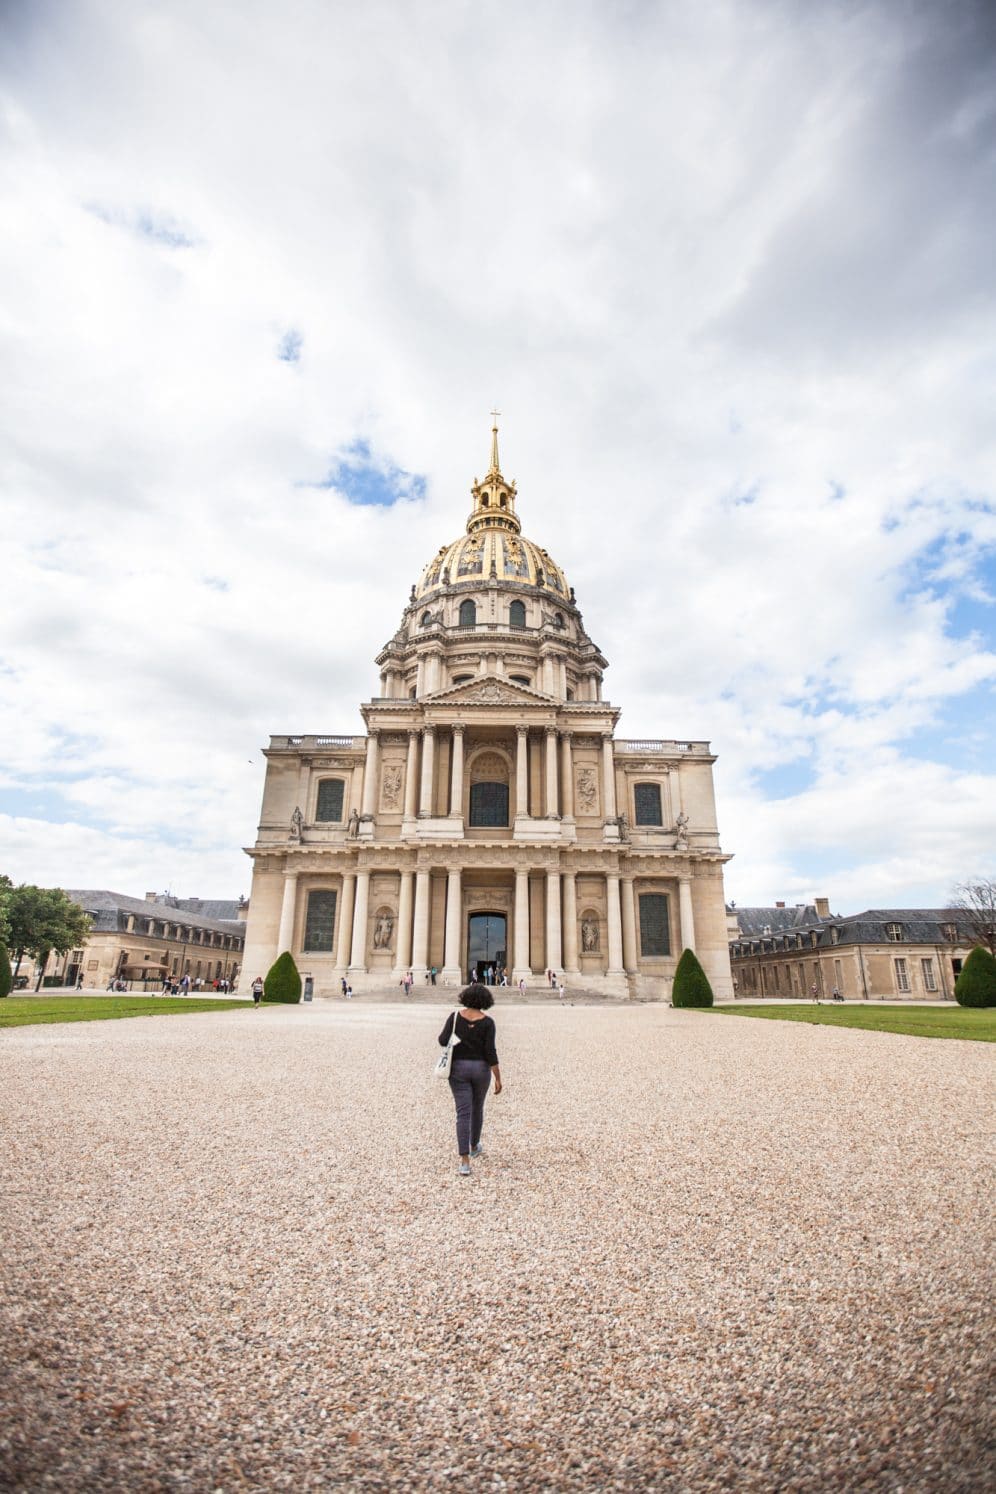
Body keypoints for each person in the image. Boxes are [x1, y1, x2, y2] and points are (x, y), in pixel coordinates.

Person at [438, 984, 502, 1176]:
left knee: (463, 1113)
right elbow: (491, 1052)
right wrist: (497, 1077)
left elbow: (442, 1040)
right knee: (477, 1108)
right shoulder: (488, 1022)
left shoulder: (455, 1017)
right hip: (481, 1070)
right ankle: (474, 1145)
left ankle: (464, 1161)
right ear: (485, 1001)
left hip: (458, 1069)